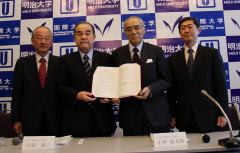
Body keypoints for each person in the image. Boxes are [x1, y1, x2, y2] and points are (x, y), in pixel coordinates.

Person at [111, 16, 172, 136]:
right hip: (130, 116)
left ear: (144, 30)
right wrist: (113, 94)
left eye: (136, 28)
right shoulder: (117, 54)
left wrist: (150, 89)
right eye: (129, 29)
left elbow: (166, 79)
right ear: (125, 32)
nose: (133, 32)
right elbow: (114, 81)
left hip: (156, 114)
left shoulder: (156, 51)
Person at [168, 17, 228, 133]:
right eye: (182, 28)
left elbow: (220, 86)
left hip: (209, 115)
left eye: (190, 27)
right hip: (184, 117)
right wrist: (172, 114)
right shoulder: (173, 59)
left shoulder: (212, 54)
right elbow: (172, 91)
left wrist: (222, 113)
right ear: (180, 33)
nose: (186, 31)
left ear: (199, 30)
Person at [57, 21, 116, 137]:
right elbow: (60, 86)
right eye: (79, 34)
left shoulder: (107, 58)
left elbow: (114, 84)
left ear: (94, 37)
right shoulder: (64, 60)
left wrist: (110, 97)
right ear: (75, 39)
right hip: (75, 122)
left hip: (103, 120)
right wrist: (77, 95)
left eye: (87, 33)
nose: (83, 37)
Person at [11, 26, 61, 136]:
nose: (43, 42)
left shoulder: (60, 63)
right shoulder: (22, 63)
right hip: (29, 120)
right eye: (39, 38)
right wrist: (16, 119)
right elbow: (16, 94)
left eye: (47, 38)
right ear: (32, 41)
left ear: (51, 42)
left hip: (56, 120)